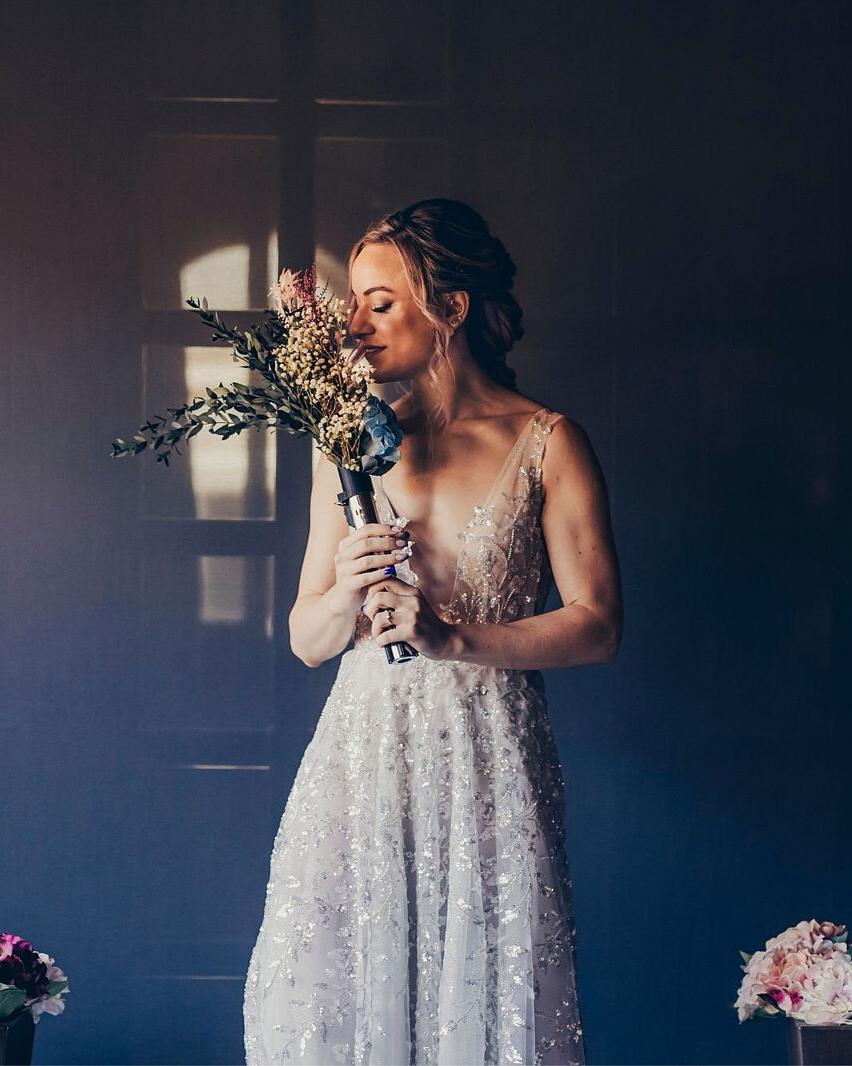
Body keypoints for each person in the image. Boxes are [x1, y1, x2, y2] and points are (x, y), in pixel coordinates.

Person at [243, 198, 621, 1065]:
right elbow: (308, 638)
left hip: (489, 761)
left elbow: (598, 626)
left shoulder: (548, 441)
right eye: (353, 302)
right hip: (362, 755)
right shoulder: (343, 439)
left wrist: (455, 641)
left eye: (381, 301)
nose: (354, 323)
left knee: (482, 1005)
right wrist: (346, 588)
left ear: (450, 308)